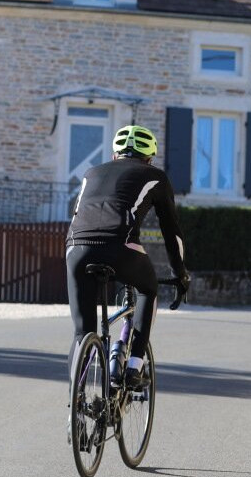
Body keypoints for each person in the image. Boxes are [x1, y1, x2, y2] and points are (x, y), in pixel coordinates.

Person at [65, 124, 190, 390]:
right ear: (149, 159)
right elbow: (172, 233)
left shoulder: (91, 173)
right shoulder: (155, 176)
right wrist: (180, 274)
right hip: (120, 247)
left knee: (82, 331)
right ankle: (134, 364)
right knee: (148, 289)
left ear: (114, 155)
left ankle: (76, 404)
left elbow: (77, 214)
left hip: (76, 248)